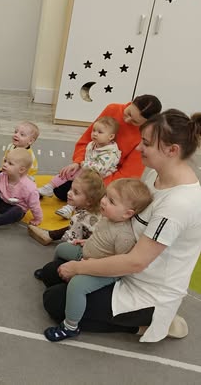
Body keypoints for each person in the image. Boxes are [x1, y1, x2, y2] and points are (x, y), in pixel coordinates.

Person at [42, 109, 201, 342]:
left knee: (55, 300)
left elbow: (137, 262)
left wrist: (81, 268)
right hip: (122, 263)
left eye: (146, 144)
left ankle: (150, 323)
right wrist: (97, 244)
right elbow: (129, 223)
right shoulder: (155, 174)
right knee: (52, 272)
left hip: (144, 289)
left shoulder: (179, 204)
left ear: (172, 150)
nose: (138, 148)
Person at [37, 179, 153, 341]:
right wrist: (87, 242)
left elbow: (119, 262)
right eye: (106, 196)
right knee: (62, 248)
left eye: (111, 201)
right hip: (87, 254)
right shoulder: (108, 218)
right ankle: (57, 278)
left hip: (103, 272)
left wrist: (87, 266)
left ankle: (70, 326)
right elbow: (102, 238)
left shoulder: (124, 236)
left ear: (127, 213)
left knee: (77, 286)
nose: (103, 201)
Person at [53, 95, 162, 202]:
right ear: (132, 102)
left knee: (83, 196)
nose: (127, 120)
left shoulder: (145, 133)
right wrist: (78, 162)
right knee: (60, 189)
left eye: (135, 122)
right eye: (128, 113)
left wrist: (96, 185)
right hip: (88, 165)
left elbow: (130, 173)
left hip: (109, 176)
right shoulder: (113, 109)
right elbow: (85, 141)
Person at [40, 116, 121, 219]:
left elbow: (100, 169)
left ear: (111, 137)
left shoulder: (111, 152)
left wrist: (83, 164)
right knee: (69, 171)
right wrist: (79, 164)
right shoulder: (92, 144)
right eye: (94, 130)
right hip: (87, 169)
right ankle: (49, 187)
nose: (95, 134)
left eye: (100, 132)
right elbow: (86, 158)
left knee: (81, 186)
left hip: (98, 177)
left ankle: (70, 207)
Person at [28, 169, 105, 246]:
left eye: (76, 193)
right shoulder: (96, 210)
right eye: (71, 189)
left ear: (89, 201)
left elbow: (70, 240)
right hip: (98, 240)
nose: (69, 193)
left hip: (92, 246)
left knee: (63, 248)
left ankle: (49, 235)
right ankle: (50, 235)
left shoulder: (79, 218)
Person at [0, 148, 42, 236]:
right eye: (5, 161)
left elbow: (35, 205)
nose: (5, 164)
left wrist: (38, 218)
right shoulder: (1, 176)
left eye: (10, 163)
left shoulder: (29, 188)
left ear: (21, 170)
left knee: (18, 212)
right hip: (2, 201)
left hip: (13, 209)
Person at [0, 121, 40, 188]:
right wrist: (2, 170)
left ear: (30, 141)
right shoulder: (11, 146)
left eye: (22, 135)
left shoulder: (28, 156)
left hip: (21, 178)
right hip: (6, 172)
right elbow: (5, 159)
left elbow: (30, 172)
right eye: (15, 132)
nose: (16, 135)